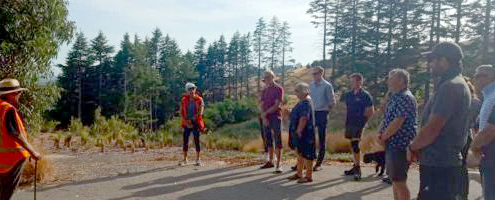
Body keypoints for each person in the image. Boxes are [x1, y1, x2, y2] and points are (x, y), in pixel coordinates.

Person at [409, 41, 471, 200]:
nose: (430, 64)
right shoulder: (453, 83)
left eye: (433, 60)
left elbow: (433, 127)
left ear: (444, 60)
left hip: (440, 163)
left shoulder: (450, 86)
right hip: (442, 162)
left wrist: (412, 147)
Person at [377, 69, 417, 200]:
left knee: (399, 181)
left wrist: (383, 137)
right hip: (392, 144)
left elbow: (398, 122)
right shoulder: (395, 97)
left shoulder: (405, 97)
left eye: (391, 78)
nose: (388, 81)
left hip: (400, 145)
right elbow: (387, 118)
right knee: (394, 180)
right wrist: (380, 133)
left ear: (401, 81)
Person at [0, 78, 41, 200]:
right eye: (18, 93)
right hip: (13, 159)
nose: (19, 95)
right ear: (11, 94)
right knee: (7, 192)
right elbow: (15, 133)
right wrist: (33, 152)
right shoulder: (8, 109)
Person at [468, 65, 495, 200]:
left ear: (490, 77)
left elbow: (489, 131)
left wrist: (474, 147)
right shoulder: (488, 97)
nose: (475, 79)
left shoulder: (493, 96)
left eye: (479, 76)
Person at [343, 73, 375, 181]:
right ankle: (355, 165)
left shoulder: (365, 95)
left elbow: (370, 111)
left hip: (359, 123)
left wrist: (363, 123)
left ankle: (358, 169)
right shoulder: (348, 95)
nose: (352, 83)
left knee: (356, 145)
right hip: (349, 123)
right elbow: (347, 108)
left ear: (360, 82)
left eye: (354, 81)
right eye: (351, 81)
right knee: (352, 145)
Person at [287, 83, 316, 183]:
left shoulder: (306, 102)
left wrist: (299, 130)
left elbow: (304, 118)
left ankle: (308, 176)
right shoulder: (302, 102)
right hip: (300, 131)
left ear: (304, 91)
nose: (296, 93)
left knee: (307, 154)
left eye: (297, 91)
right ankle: (299, 173)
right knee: (300, 153)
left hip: (305, 132)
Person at [309, 66, 335, 171]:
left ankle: (319, 163)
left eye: (315, 74)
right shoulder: (310, 85)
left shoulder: (327, 86)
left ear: (321, 73)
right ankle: (309, 159)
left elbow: (332, 102)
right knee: (309, 137)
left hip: (322, 113)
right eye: (313, 74)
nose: (314, 76)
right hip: (311, 112)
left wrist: (326, 111)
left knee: (321, 138)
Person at [460, 77, 482, 200]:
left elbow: (469, 123)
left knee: (461, 169)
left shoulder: (472, 102)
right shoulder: (474, 101)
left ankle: (463, 195)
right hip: (468, 137)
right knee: (462, 168)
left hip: (465, 137)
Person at [259, 70, 284, 173]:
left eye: (268, 77)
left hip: (275, 117)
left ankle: (278, 164)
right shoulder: (264, 90)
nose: (266, 80)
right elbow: (261, 103)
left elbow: (277, 104)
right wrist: (264, 116)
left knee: (278, 140)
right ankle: (270, 161)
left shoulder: (278, 89)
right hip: (266, 117)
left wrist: (266, 113)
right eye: (265, 78)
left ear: (272, 77)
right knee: (268, 139)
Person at [179, 82, 205, 167]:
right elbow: (182, 112)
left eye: (193, 88)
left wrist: (193, 119)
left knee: (197, 140)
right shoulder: (183, 100)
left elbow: (200, 112)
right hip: (187, 122)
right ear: (187, 90)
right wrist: (186, 121)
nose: (192, 91)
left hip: (196, 122)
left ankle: (198, 159)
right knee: (185, 140)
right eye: (190, 89)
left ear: (195, 89)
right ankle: (185, 159)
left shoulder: (199, 99)